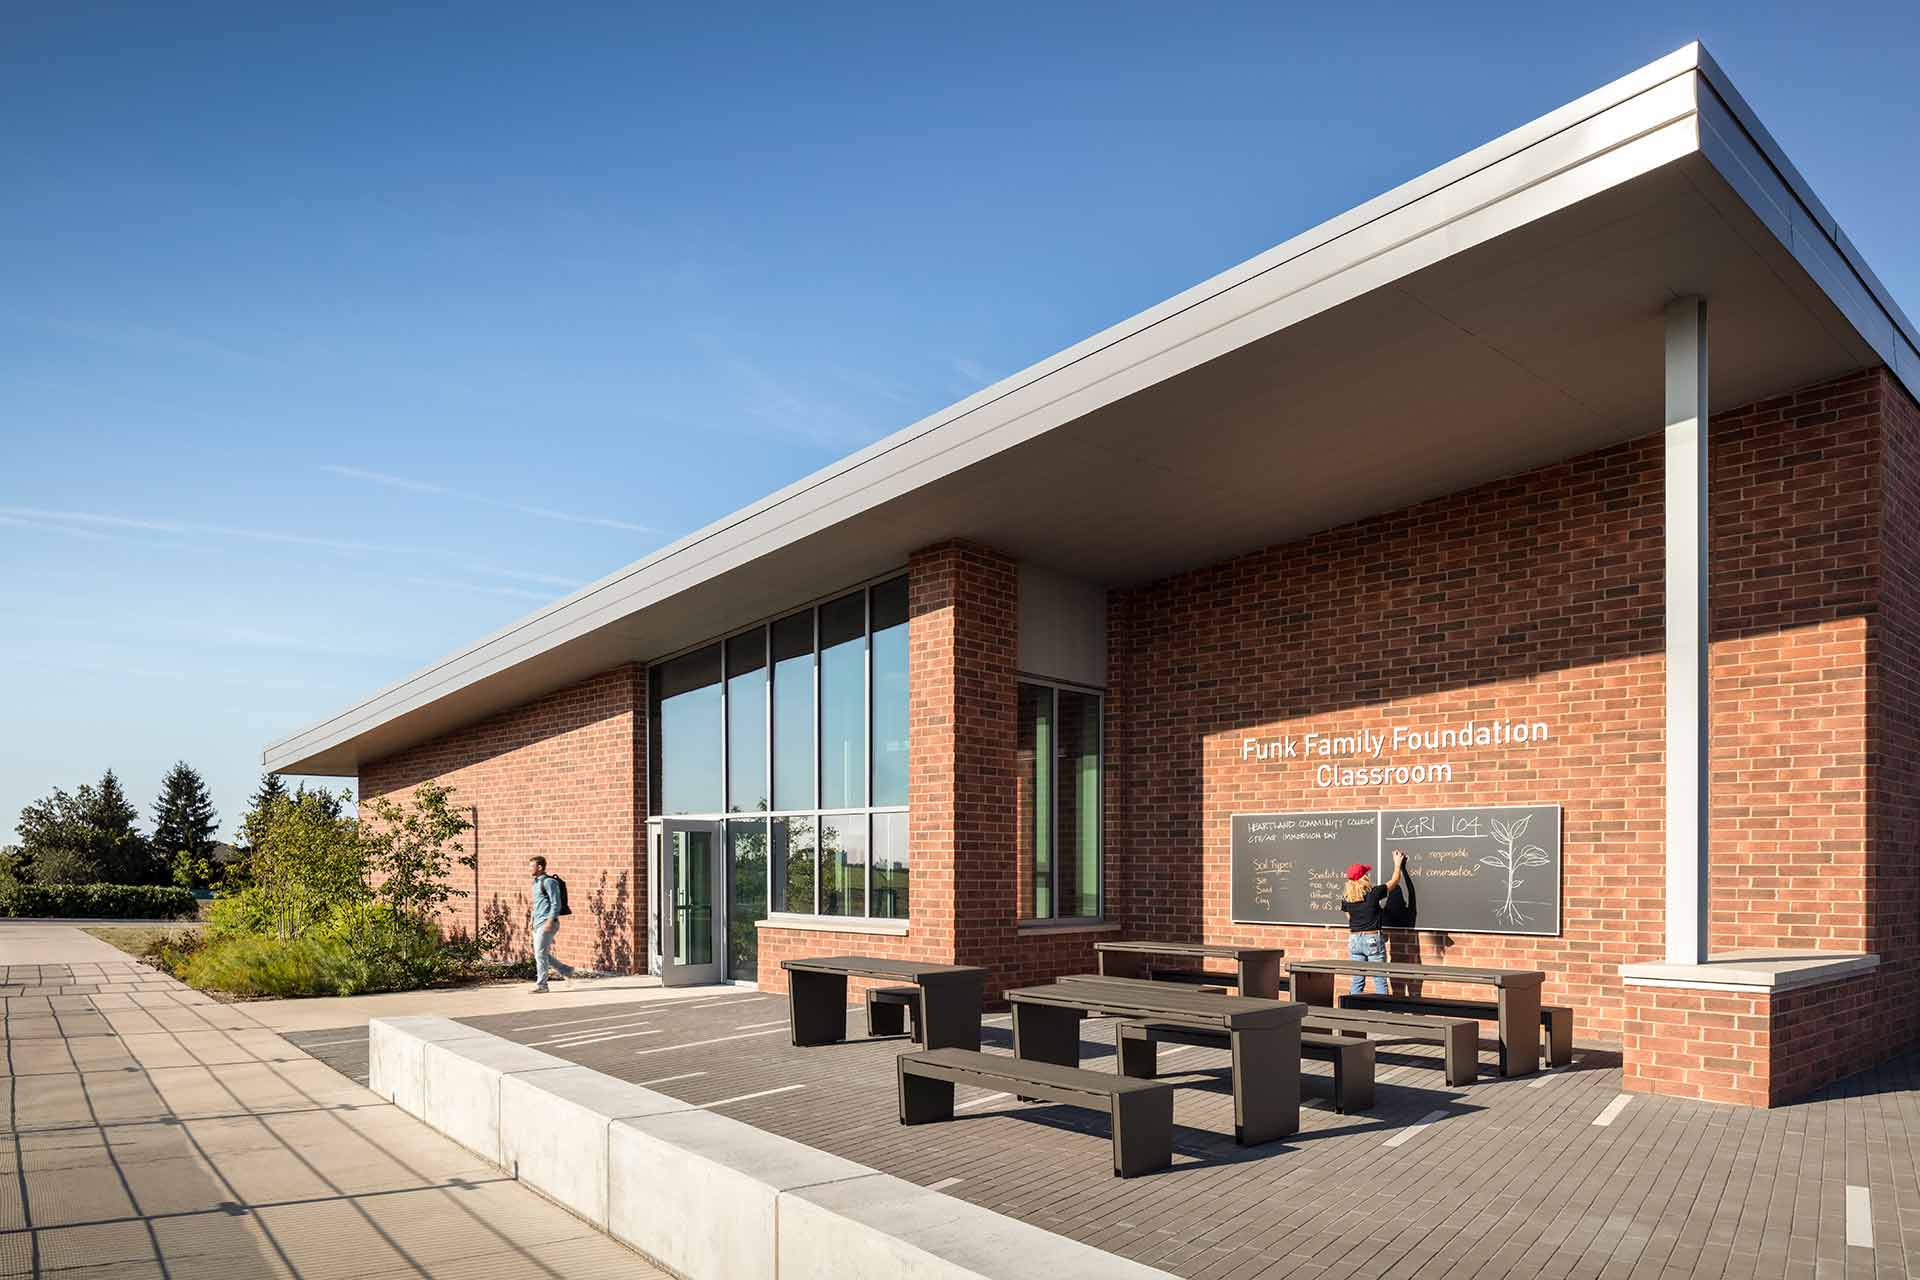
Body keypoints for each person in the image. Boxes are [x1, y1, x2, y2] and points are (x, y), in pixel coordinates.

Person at [1341, 851, 1407, 994]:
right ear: (1364, 878)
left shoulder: (1346, 898)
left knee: (1357, 979)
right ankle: (1383, 1012)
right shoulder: (1373, 893)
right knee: (1379, 979)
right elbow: (1395, 881)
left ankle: (1353, 1011)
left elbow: (1350, 918)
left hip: (1354, 940)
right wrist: (1397, 864)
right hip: (1372, 938)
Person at [528, 855, 576, 994]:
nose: (529, 868)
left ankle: (542, 985)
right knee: (541, 953)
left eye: (531, 866)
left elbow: (556, 903)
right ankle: (566, 970)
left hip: (547, 922)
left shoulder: (549, 882)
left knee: (540, 954)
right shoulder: (535, 883)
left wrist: (550, 920)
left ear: (540, 867)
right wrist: (532, 919)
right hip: (538, 922)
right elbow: (537, 904)